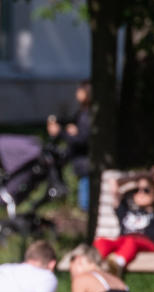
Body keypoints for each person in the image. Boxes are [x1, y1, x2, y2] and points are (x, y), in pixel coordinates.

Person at [93, 167, 154, 275]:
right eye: (137, 190)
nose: (140, 193)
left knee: (131, 241)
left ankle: (116, 265)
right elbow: (113, 183)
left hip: (147, 244)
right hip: (123, 242)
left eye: (146, 190)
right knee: (101, 242)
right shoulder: (126, 210)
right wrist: (135, 178)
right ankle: (94, 265)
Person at [47, 80, 91, 211]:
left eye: (80, 90)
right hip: (82, 164)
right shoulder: (83, 113)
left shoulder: (88, 115)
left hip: (86, 165)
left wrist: (60, 132)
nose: (76, 93)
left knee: (86, 204)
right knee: (84, 203)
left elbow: (82, 139)